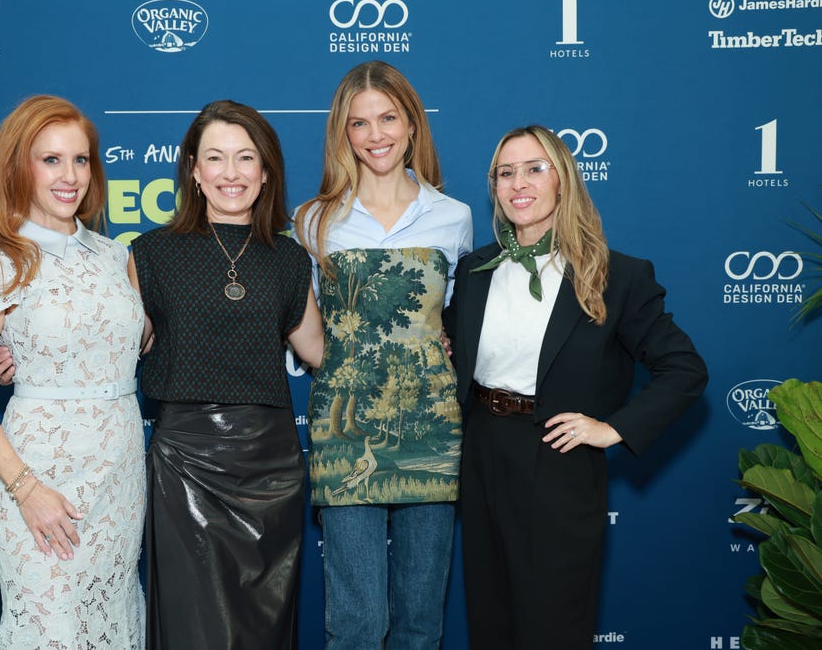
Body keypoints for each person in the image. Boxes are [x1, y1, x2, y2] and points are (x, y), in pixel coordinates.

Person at [444, 124, 708, 649]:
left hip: (557, 460)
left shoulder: (617, 276)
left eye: (535, 169)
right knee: (490, 624)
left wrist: (613, 428)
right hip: (480, 455)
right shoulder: (474, 268)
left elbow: (685, 369)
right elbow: (457, 349)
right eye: (505, 172)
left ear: (562, 180)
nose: (519, 183)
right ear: (493, 187)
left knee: (553, 627)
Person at [0, 95, 145, 648]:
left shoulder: (114, 256)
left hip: (121, 473)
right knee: (50, 627)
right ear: (19, 166)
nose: (70, 176)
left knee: (115, 621)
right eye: (51, 160)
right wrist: (26, 489)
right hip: (38, 473)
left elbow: (133, 344)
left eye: (81, 160)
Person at [129, 99, 323, 649]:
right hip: (186, 459)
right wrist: (26, 356)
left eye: (245, 158)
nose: (231, 173)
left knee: (263, 625)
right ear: (193, 169)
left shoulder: (287, 259)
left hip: (271, 465)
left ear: (266, 170)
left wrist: (426, 334)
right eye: (215, 158)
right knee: (197, 626)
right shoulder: (151, 253)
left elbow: (318, 351)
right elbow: (120, 343)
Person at [294, 60, 473, 650]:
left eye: (388, 118)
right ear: (342, 134)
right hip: (345, 434)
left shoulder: (454, 217)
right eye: (359, 123)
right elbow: (306, 330)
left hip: (431, 428)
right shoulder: (314, 221)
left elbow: (452, 320)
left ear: (412, 124)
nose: (375, 135)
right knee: (357, 622)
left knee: (421, 621)